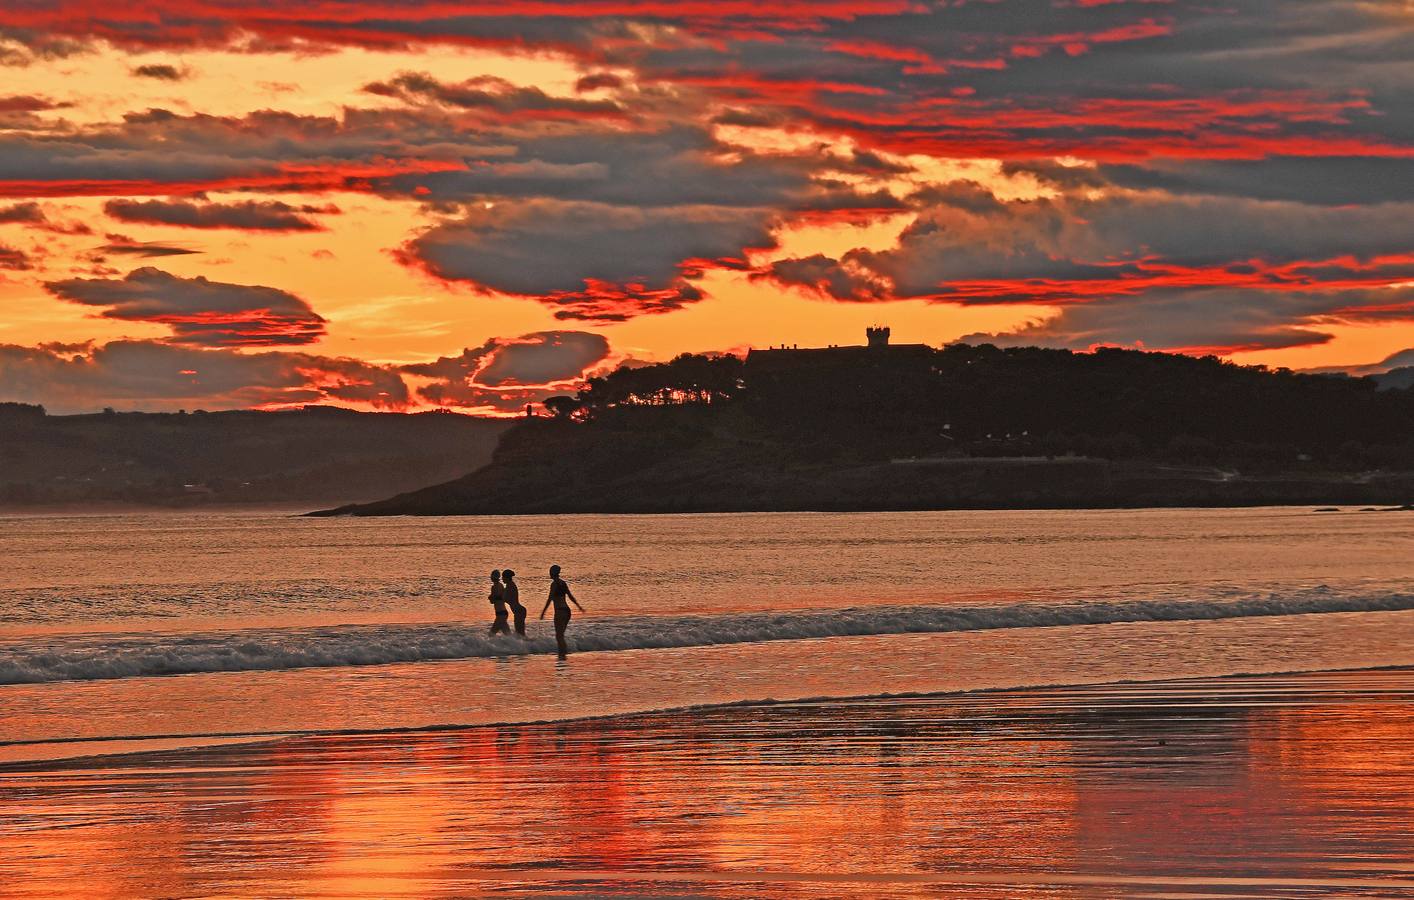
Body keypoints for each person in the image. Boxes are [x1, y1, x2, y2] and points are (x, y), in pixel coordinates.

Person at [539, 564, 584, 657]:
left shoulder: (554, 584)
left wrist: (543, 612)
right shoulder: (563, 583)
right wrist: (578, 606)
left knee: (559, 636)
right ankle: (563, 653)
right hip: (567, 611)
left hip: (559, 611)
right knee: (561, 636)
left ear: (552, 573)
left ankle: (562, 655)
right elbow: (570, 596)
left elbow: (550, 598)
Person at [502, 569, 526, 637]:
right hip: (519, 611)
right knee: (520, 635)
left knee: (520, 634)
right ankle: (533, 645)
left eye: (503, 577)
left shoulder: (510, 586)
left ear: (506, 578)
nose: (502, 579)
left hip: (519, 611)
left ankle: (533, 645)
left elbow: (505, 599)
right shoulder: (509, 585)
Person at [488, 569, 509, 636]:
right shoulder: (501, 585)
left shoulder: (494, 587)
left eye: (491, 576)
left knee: (491, 634)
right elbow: (502, 598)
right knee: (508, 635)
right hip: (504, 613)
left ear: (493, 577)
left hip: (500, 614)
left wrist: (490, 597)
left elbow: (493, 601)